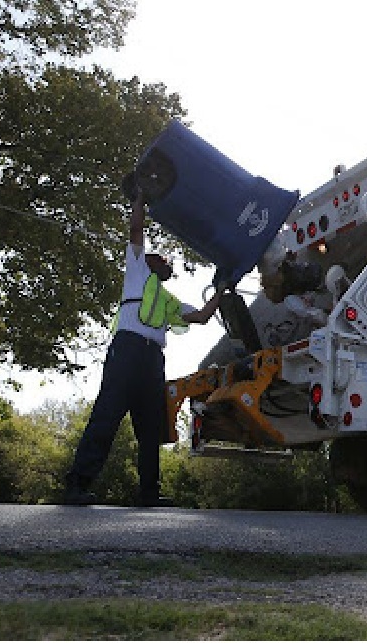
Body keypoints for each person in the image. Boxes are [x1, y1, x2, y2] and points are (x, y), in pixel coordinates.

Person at [64, 186, 225, 507]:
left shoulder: (168, 300)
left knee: (151, 428)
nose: (167, 262)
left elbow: (204, 317)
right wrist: (140, 199)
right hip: (126, 352)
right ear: (149, 262)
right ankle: (77, 484)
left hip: (153, 360)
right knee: (106, 417)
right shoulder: (136, 270)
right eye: (161, 258)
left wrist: (221, 287)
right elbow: (136, 229)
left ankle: (148, 493)